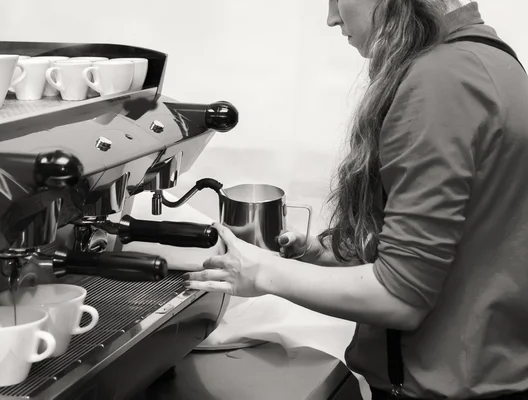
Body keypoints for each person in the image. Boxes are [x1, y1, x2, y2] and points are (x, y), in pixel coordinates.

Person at [184, 0, 528, 399]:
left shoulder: (441, 79)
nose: (331, 17)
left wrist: (261, 273)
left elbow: (402, 297)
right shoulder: (493, 60)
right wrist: (328, 253)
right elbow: (464, 242)